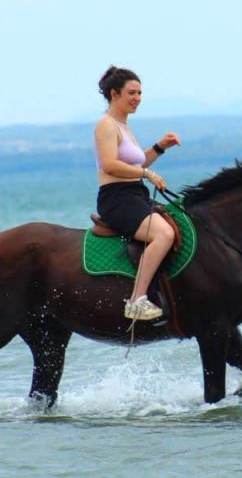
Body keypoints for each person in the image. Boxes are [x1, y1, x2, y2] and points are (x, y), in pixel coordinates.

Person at [95, 65, 181, 321]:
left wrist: (159, 147)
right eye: (131, 93)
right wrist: (147, 174)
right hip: (117, 198)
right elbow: (110, 165)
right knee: (163, 234)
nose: (137, 98)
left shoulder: (123, 126)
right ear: (114, 94)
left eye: (140, 93)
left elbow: (137, 162)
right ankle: (136, 300)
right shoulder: (106, 125)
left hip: (135, 194)